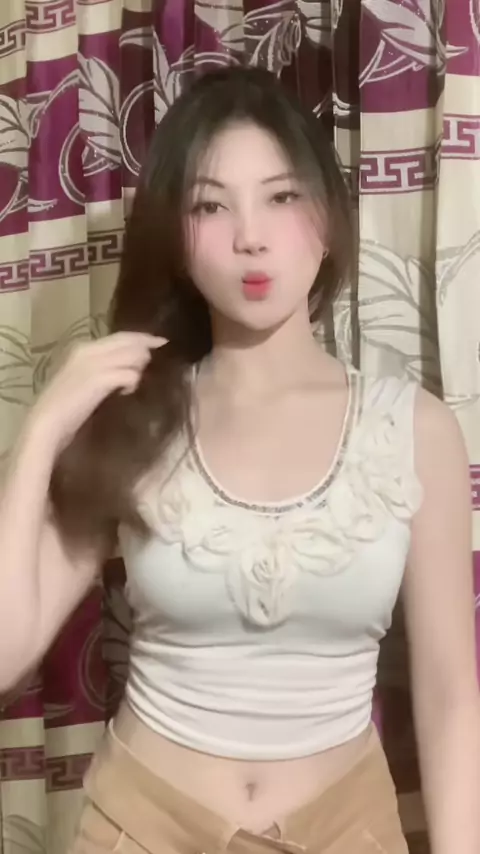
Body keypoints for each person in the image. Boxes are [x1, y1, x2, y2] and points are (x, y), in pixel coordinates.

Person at [0, 67, 478, 854]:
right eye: (209, 205)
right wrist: (42, 429)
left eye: (281, 197)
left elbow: (451, 694)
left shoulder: (414, 428)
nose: (249, 236)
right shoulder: (137, 417)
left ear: (328, 217)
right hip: (138, 830)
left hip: (345, 833)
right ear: (176, 239)